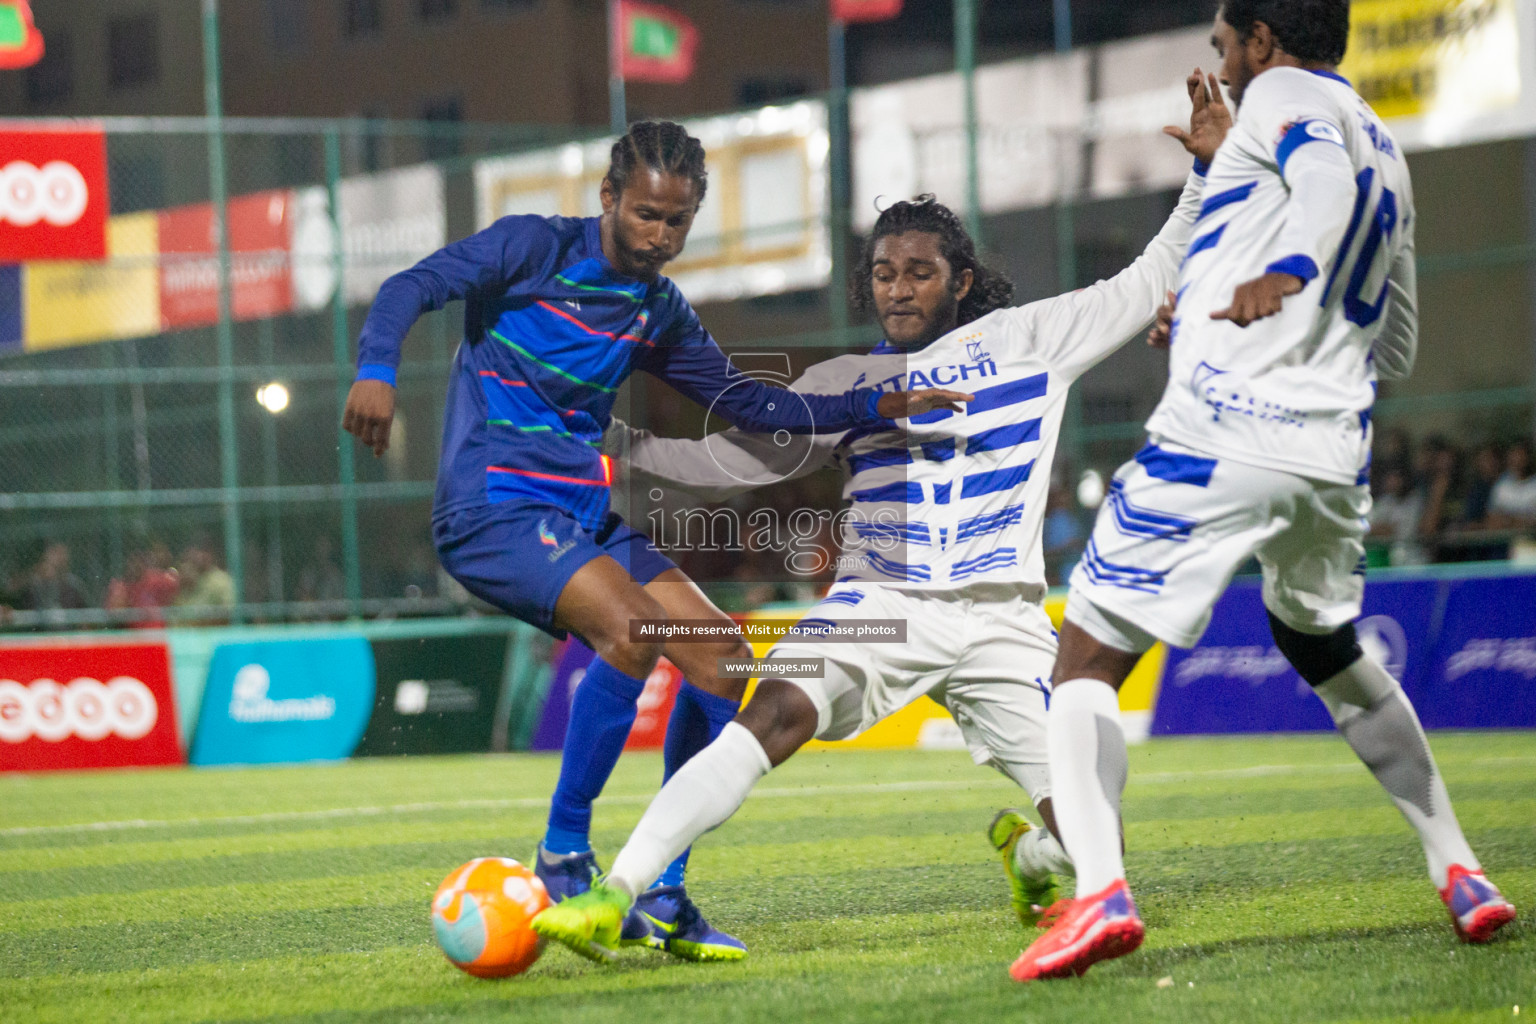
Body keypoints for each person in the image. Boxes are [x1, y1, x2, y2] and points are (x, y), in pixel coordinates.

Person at [528, 75, 1230, 964]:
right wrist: (624, 441)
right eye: (884, 273)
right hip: (878, 609)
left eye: (920, 272)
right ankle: (615, 892)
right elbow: (732, 457)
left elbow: (1153, 275)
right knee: (771, 714)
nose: (898, 289)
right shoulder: (845, 384)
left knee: (1103, 860)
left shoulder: (1033, 340)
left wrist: (1206, 175)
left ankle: (1036, 856)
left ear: (961, 279)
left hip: (1004, 622)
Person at [340, 120, 964, 962]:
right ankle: (563, 856)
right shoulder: (532, 250)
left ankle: (663, 889)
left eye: (677, 221)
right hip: (489, 505)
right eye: (645, 215)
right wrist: (377, 368)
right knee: (634, 632)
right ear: (608, 198)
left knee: (723, 658)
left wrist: (869, 405)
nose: (659, 236)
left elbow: (752, 404)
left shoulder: (657, 310)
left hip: (578, 513)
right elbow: (410, 286)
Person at [1013, 0, 1516, 984]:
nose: (1222, 63)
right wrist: (1219, 292)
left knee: (1081, 658)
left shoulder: (1284, 100)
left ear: (1263, 40)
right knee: (1323, 646)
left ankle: (1101, 892)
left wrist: (1279, 278)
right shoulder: (1391, 153)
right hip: (1333, 456)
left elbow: (1317, 190)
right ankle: (1457, 864)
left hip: (1220, 435)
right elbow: (1396, 340)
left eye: (1223, 44)